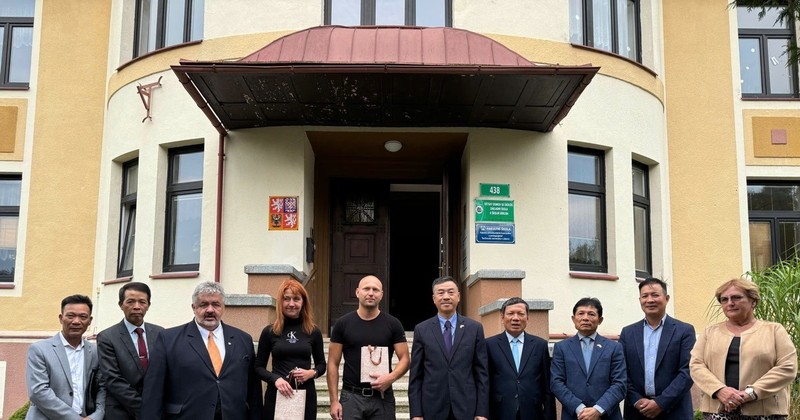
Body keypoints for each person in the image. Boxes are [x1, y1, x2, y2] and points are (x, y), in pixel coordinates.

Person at [141, 281, 262, 420]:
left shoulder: (243, 339)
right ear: (194, 307)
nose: (210, 310)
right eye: (203, 304)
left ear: (223, 307)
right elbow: (153, 392)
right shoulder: (168, 339)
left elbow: (254, 392)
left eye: (216, 304)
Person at [690, 278, 797, 420]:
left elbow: (787, 367)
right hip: (718, 410)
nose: (730, 303)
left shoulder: (774, 330)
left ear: (753, 301)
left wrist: (751, 393)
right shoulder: (710, 332)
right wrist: (720, 390)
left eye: (736, 297)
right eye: (724, 299)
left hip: (764, 411)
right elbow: (696, 365)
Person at [327, 275, 410, 420]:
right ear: (357, 292)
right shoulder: (343, 324)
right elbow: (333, 363)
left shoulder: (393, 324)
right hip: (351, 397)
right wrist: (334, 401)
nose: (371, 293)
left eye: (375, 290)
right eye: (366, 289)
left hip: (382, 397)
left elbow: (405, 358)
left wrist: (390, 378)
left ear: (381, 295)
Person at [409, 275, 489, 420]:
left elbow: (481, 373)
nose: (446, 297)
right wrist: (416, 413)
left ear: (458, 296)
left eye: (451, 292)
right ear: (434, 298)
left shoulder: (474, 328)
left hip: (466, 408)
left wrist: (482, 411)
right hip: (432, 408)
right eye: (441, 293)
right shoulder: (422, 329)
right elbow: (416, 376)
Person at [618, 277, 695, 420]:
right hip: (637, 411)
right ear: (640, 300)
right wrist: (636, 400)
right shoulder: (628, 333)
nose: (650, 300)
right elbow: (621, 371)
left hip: (675, 410)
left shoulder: (684, 331)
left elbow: (688, 371)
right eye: (645, 296)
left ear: (666, 298)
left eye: (655, 295)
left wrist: (660, 403)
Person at [25, 294, 106, 419]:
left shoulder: (95, 352)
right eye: (70, 316)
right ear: (61, 318)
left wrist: (96, 416)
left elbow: (102, 387)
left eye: (83, 317)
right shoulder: (39, 350)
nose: (76, 321)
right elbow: (38, 392)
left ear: (90, 321)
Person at [256, 279, 325, 420]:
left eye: (296, 299)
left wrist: (311, 373)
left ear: (303, 302)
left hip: (305, 394)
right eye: (286, 299)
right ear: (280, 302)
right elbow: (258, 368)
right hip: (277, 394)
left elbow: (322, 365)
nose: (291, 304)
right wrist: (275, 379)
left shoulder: (313, 331)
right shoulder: (270, 331)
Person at [97, 282, 165, 419]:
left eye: (142, 302)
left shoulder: (160, 333)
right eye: (130, 302)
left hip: (157, 409)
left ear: (148, 305)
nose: (137, 307)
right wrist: (144, 408)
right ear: (120, 304)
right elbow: (113, 379)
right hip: (121, 411)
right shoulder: (107, 337)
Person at [551, 297, 626, 420]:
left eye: (591, 314)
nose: (585, 318)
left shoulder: (614, 347)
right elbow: (556, 383)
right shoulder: (561, 347)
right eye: (581, 313)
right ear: (573, 319)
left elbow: (620, 384)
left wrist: (598, 409)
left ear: (600, 320)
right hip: (575, 415)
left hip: (607, 415)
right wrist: (580, 408)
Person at [486, 297, 555, 420]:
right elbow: (484, 382)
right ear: (502, 317)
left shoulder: (540, 345)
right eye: (510, 314)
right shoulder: (489, 345)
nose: (516, 318)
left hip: (532, 412)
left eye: (521, 314)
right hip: (499, 411)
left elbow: (547, 386)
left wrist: (549, 415)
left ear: (527, 317)